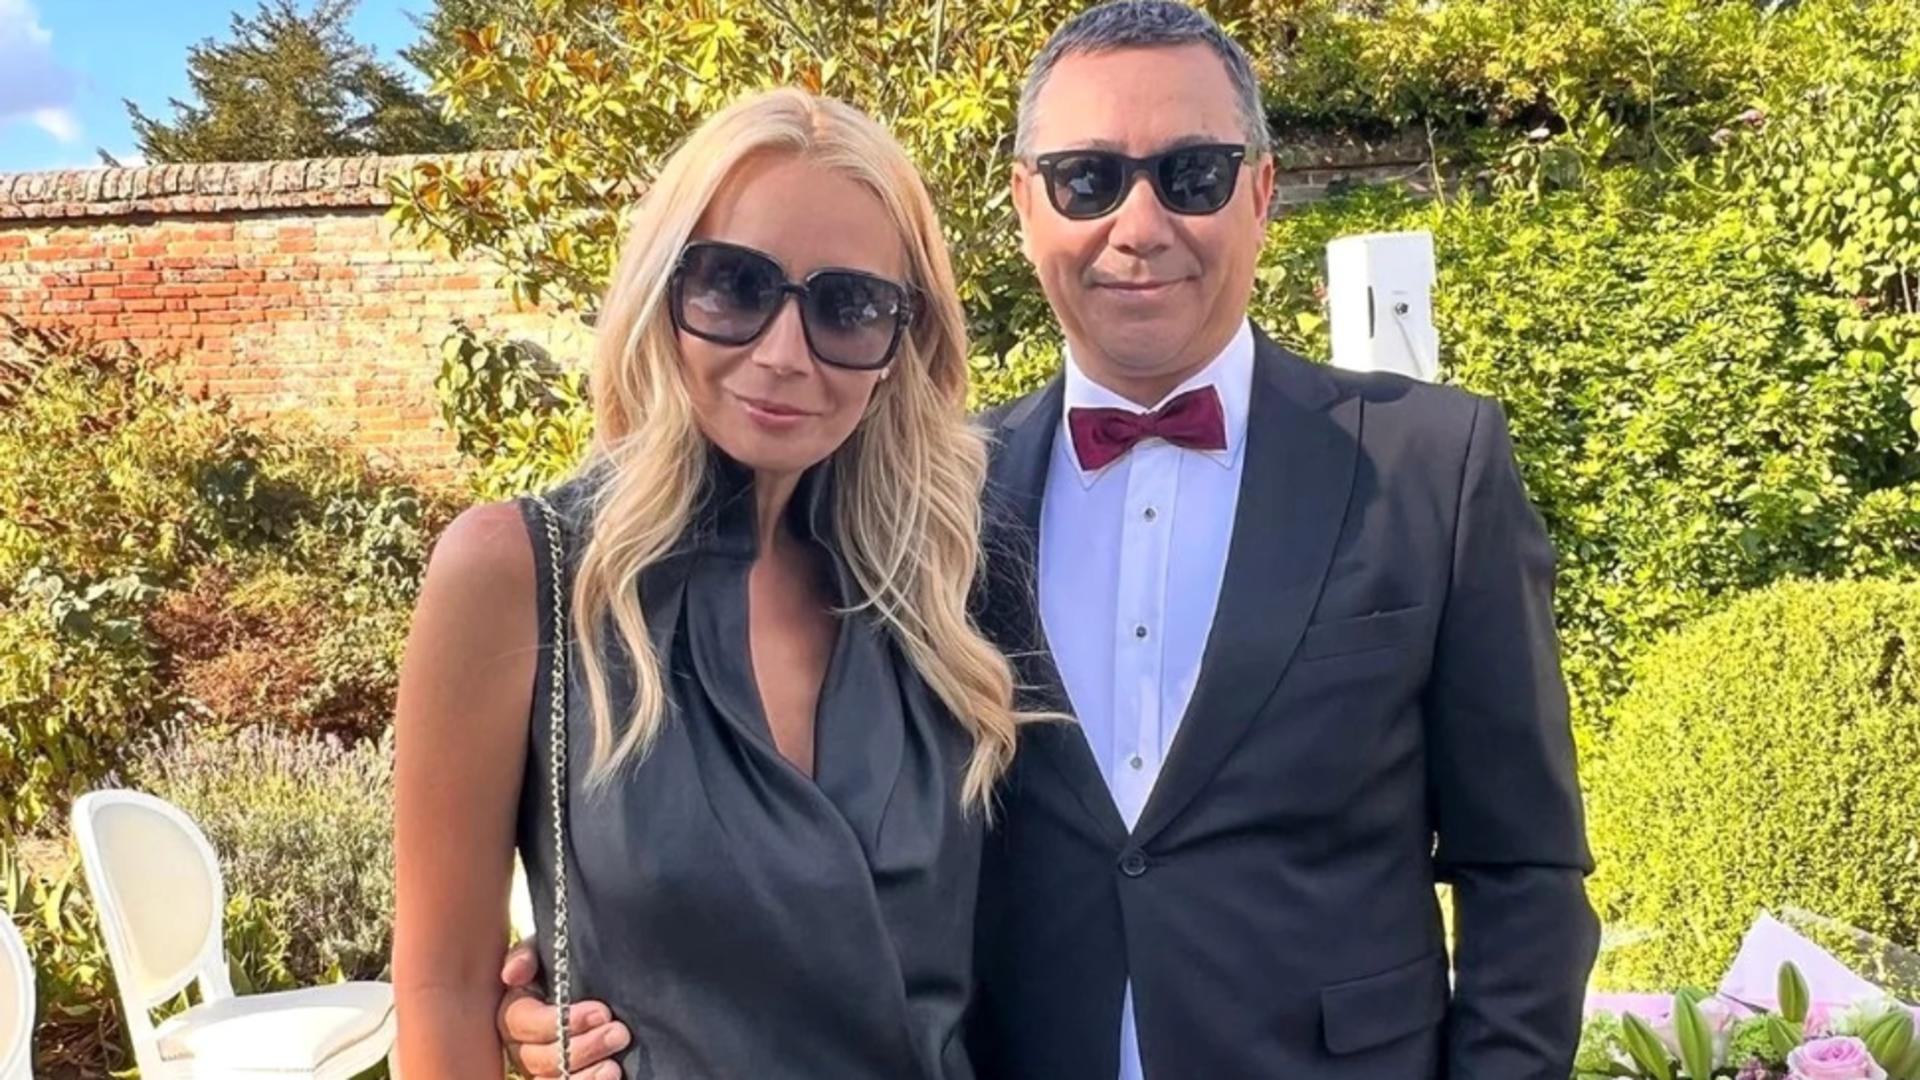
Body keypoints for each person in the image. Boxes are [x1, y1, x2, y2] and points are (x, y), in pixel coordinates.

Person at [498, 3, 1601, 1078]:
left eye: (1193, 175)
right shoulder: (922, 506)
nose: (1139, 225)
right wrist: (586, 988)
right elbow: (801, 844)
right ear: (1027, 205)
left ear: (1262, 193)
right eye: (1088, 179)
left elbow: (1525, 868)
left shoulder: (1433, 466)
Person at [391, 86, 1031, 1080]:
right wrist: (518, 1028)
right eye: (734, 285)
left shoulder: (945, 589)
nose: (784, 355)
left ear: (903, 343)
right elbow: (441, 991)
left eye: (848, 307)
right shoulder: (519, 575)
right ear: (663, 290)